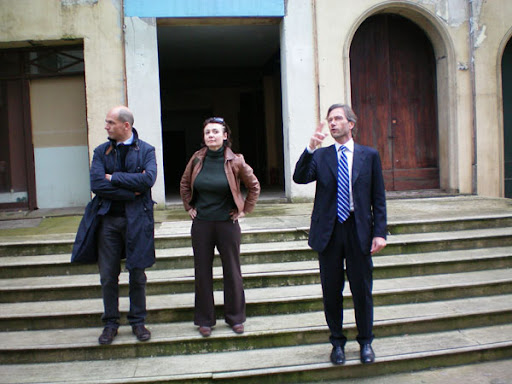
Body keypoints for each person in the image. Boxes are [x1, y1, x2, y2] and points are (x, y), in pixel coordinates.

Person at [293, 104, 387, 365]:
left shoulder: (369, 156)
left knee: (362, 291)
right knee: (331, 291)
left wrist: (380, 232)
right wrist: (310, 148)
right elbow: (300, 178)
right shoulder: (321, 156)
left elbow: (378, 198)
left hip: (359, 232)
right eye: (329, 119)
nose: (332, 123)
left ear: (351, 124)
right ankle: (337, 343)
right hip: (330, 233)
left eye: (338, 119)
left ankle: (366, 342)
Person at [71, 105, 157, 345]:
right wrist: (132, 192)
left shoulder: (147, 150)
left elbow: (148, 179)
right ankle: (110, 323)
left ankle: (138, 322)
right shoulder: (101, 151)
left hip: (137, 220)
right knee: (108, 275)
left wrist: (115, 178)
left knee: (137, 273)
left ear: (125, 126)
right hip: (108, 220)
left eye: (110, 122)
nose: (106, 126)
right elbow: (97, 184)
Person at [180, 116, 260, 337]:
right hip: (202, 224)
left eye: (215, 132)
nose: (211, 136)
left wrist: (244, 209)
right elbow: (185, 183)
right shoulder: (197, 159)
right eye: (207, 132)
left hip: (227, 224)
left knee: (232, 271)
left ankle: (235, 318)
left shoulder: (236, 161)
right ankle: (205, 320)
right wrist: (189, 207)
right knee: (202, 272)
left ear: (225, 136)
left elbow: (253, 186)